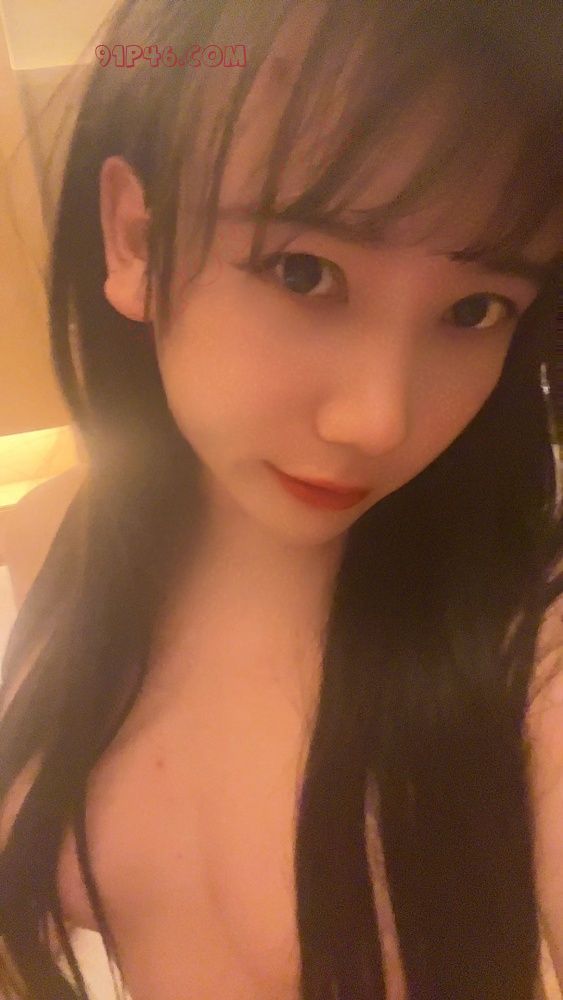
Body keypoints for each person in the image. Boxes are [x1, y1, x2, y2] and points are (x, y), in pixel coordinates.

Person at [1, 1, 562, 997]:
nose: (377, 419)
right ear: (135, 237)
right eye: (304, 272)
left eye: (474, 310)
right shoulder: (34, 556)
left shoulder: (528, 643)